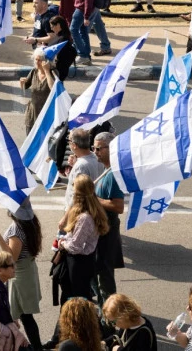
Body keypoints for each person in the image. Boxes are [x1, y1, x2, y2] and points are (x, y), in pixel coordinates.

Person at [0, 200, 43, 351]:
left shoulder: (16, 229)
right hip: (28, 269)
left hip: (20, 275)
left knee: (23, 316)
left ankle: (32, 347)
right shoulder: (32, 222)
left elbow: (12, 257)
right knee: (25, 315)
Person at [56, 174, 107, 304]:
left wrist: (62, 243)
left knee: (76, 299)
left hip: (78, 263)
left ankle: (79, 322)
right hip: (82, 261)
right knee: (75, 297)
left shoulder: (85, 218)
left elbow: (75, 246)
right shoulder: (86, 211)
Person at [90, 131, 126, 305]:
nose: (95, 151)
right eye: (93, 148)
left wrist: (94, 199)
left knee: (105, 279)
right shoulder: (106, 171)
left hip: (107, 233)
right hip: (99, 232)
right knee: (94, 275)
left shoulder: (113, 175)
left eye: (98, 148)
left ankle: (109, 319)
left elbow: (118, 206)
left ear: (110, 149)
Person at [64, 129, 104, 206]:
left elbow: (76, 194)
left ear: (74, 145)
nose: (68, 144)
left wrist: (68, 214)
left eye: (69, 141)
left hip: (77, 210)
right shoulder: (97, 157)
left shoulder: (80, 166)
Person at [21, 49, 56, 134]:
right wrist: (22, 82)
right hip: (32, 113)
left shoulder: (53, 73)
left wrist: (47, 71)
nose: (37, 62)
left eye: (40, 60)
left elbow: (53, 88)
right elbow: (25, 87)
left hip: (46, 114)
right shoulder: (34, 71)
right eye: (36, 59)